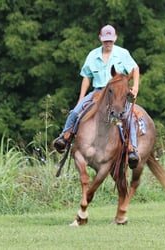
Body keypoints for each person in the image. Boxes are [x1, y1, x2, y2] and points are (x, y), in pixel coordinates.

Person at [53, 24, 140, 168]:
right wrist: (81, 97)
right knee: (76, 111)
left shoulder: (122, 53)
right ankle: (65, 136)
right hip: (98, 91)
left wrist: (135, 86)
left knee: (128, 116)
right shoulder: (93, 55)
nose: (108, 44)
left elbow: (135, 68)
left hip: (117, 93)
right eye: (105, 41)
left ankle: (132, 149)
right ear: (100, 38)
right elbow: (86, 77)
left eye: (110, 41)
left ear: (115, 39)